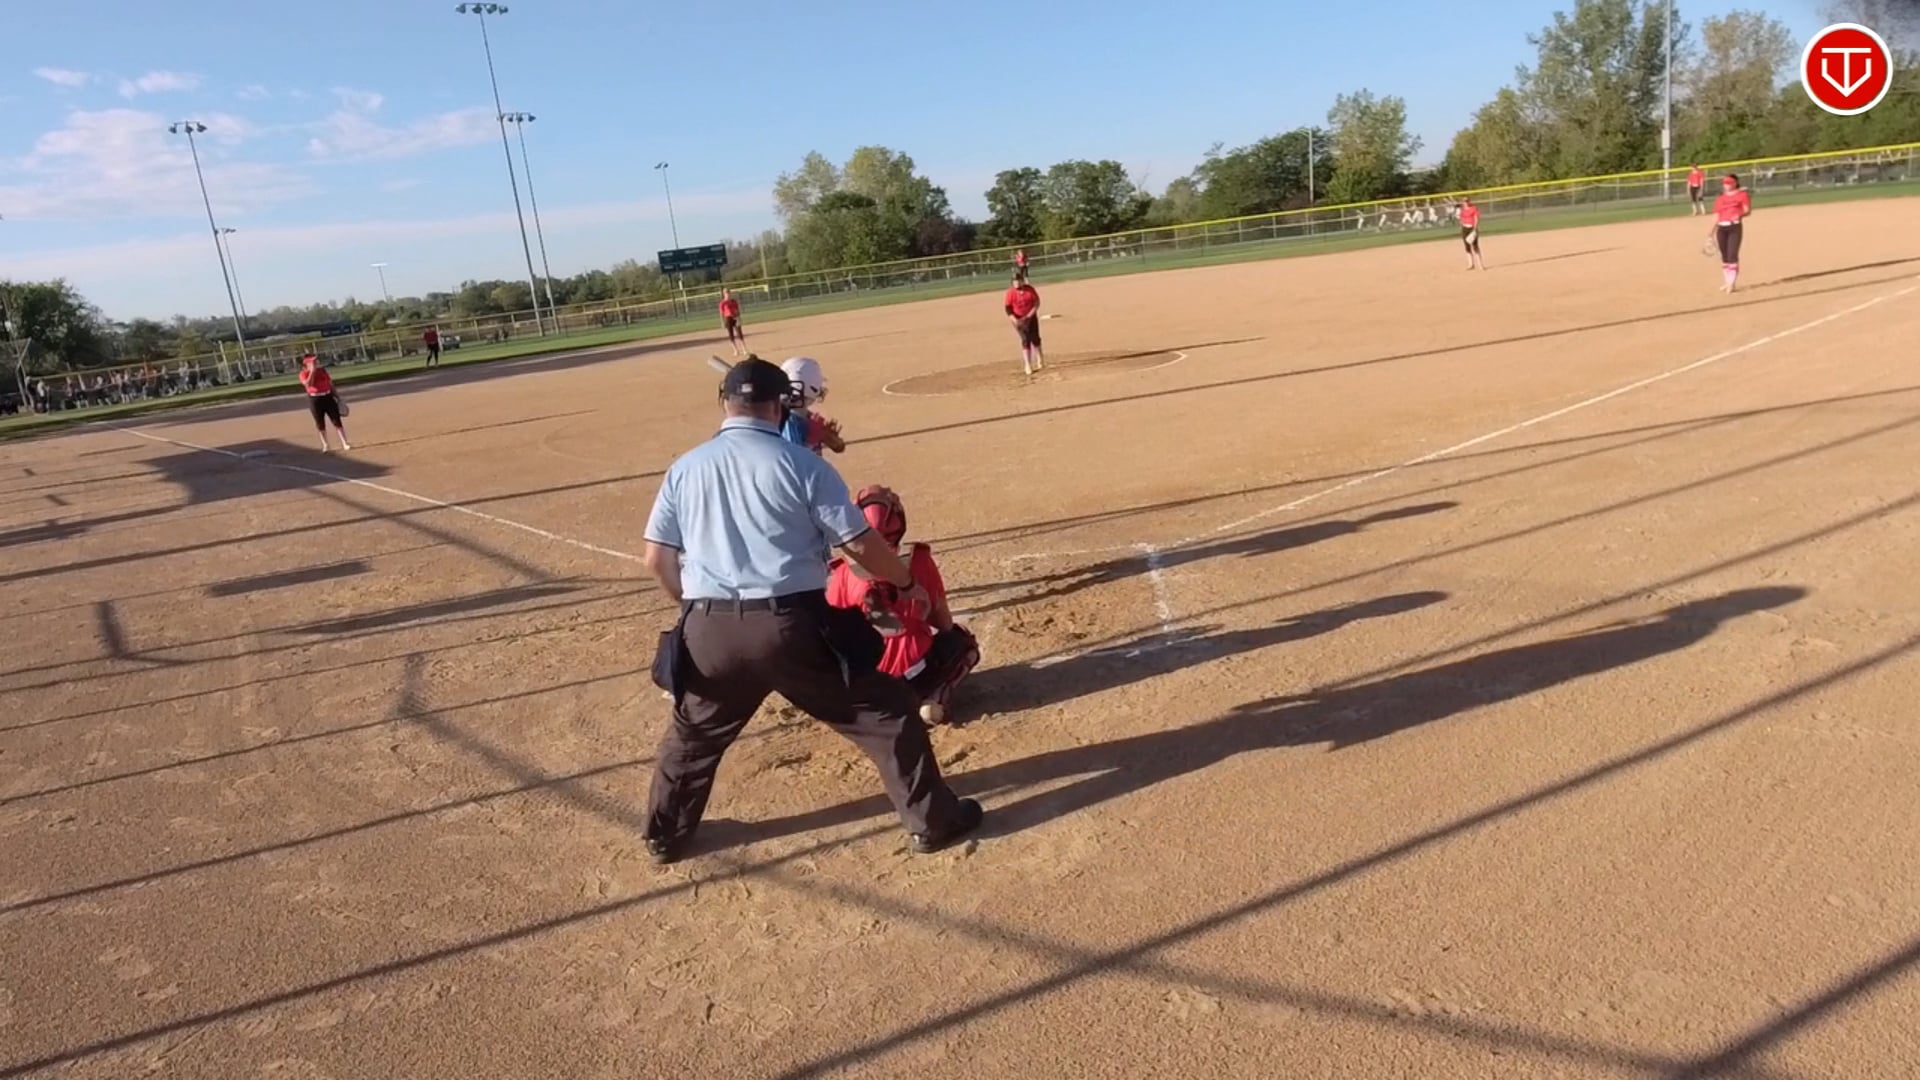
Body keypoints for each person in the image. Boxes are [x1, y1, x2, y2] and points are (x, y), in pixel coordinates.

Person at [639, 357, 984, 864]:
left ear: (724, 403)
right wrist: (907, 583)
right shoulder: (802, 464)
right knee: (886, 715)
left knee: (693, 735)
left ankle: (664, 835)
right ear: (780, 406)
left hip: (708, 625)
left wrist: (696, 611)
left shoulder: (685, 468)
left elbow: (657, 558)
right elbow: (859, 544)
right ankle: (932, 821)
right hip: (790, 623)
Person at [827, 485, 980, 725]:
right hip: (912, 680)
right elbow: (943, 623)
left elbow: (832, 632)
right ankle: (934, 698)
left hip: (864, 686)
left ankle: (866, 708)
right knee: (961, 641)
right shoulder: (918, 559)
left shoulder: (841, 571)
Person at [779, 355, 845, 454]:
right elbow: (794, 459)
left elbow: (839, 447)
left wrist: (831, 440)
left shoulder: (805, 416)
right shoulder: (789, 422)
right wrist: (812, 441)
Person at [1708, 173, 1752, 294]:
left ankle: (1731, 284)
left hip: (1734, 227)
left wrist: (1739, 214)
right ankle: (1728, 282)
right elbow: (1716, 216)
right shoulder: (1720, 198)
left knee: (1732, 254)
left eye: (1729, 183)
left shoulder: (1742, 195)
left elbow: (1747, 210)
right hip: (1722, 228)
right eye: (1725, 183)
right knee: (1725, 256)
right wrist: (1710, 233)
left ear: (1735, 183)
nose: (1726, 185)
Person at [298, 352, 351, 452]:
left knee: (336, 420)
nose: (315, 363)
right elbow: (309, 385)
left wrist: (338, 398)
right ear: (306, 364)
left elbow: (330, 385)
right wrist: (312, 372)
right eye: (312, 362)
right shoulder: (303, 374)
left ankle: (345, 443)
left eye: (315, 361)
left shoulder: (322, 371)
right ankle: (325, 445)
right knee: (320, 423)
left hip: (328, 397)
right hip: (315, 400)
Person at [1004, 273, 1044, 375]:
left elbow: (1036, 303)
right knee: (1025, 340)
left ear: (1022, 281)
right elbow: (1008, 309)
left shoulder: (1029, 290)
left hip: (1030, 317)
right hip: (1018, 319)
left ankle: (1039, 358)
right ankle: (1028, 364)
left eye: (1018, 280)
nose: (1016, 283)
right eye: (1014, 281)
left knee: (1035, 338)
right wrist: (1015, 320)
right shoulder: (1010, 293)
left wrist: (1029, 316)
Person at [1458, 196, 1485, 270]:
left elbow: (1476, 218)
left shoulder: (1474, 208)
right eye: (1464, 201)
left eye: (1467, 201)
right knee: (1467, 246)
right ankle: (1471, 264)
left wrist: (1475, 229)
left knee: (1475, 246)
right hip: (1465, 228)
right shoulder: (1462, 209)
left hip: (1472, 228)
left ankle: (1480, 265)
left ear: (1469, 201)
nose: (1466, 203)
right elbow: (1461, 219)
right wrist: (1461, 226)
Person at [719, 288, 746, 357]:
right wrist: (722, 322)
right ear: (724, 294)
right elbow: (721, 313)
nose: (727, 294)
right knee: (731, 334)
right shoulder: (722, 303)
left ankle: (744, 349)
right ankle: (736, 350)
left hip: (735, 317)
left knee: (739, 333)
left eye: (728, 292)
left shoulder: (734, 301)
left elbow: (737, 310)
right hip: (728, 318)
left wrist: (739, 318)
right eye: (726, 293)